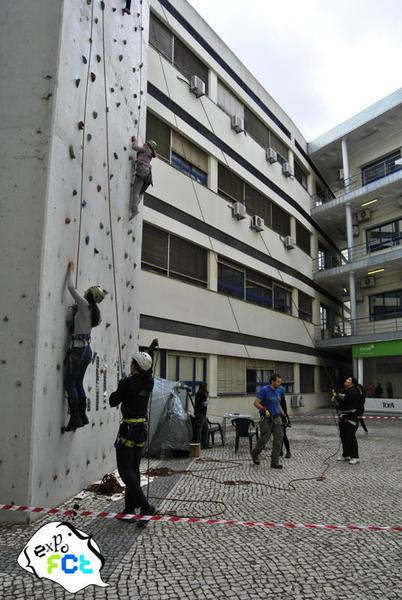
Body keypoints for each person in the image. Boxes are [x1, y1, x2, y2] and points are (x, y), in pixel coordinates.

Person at [109, 339, 159, 526]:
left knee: (125, 471)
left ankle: (145, 507)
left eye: (132, 363)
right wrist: (151, 351)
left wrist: (121, 385)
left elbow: (113, 401)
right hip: (140, 431)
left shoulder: (127, 383)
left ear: (135, 367)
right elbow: (148, 368)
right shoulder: (149, 382)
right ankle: (130, 509)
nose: (130, 365)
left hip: (128, 430)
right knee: (134, 470)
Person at [63, 261, 105, 432]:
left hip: (79, 350)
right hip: (86, 350)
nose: (86, 290)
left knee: (69, 383)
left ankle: (75, 419)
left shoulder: (85, 305)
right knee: (78, 383)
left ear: (89, 294)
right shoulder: (91, 310)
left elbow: (71, 289)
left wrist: (70, 272)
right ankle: (82, 416)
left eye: (88, 290)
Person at [251, 373, 285, 469]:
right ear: (272, 381)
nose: (279, 383)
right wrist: (264, 409)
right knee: (264, 439)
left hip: (276, 418)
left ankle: (274, 462)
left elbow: (278, 405)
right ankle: (255, 453)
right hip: (266, 418)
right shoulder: (264, 390)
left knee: (278, 439)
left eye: (280, 382)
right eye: (278, 381)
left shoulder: (279, 391)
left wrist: (284, 415)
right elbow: (256, 403)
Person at [336, 376, 361, 464]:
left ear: (353, 383)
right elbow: (340, 400)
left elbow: (346, 398)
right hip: (342, 417)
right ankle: (346, 454)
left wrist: (338, 395)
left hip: (351, 418)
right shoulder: (344, 390)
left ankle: (355, 457)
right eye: (347, 379)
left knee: (350, 437)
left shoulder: (354, 391)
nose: (346, 380)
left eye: (349, 380)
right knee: (343, 437)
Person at [130, 136, 157, 217]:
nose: (144, 143)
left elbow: (134, 147)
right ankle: (136, 204)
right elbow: (143, 159)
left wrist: (135, 141)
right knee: (141, 193)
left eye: (146, 143)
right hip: (148, 175)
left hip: (142, 171)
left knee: (136, 191)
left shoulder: (145, 149)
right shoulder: (151, 154)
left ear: (148, 145)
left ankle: (134, 209)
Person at [194, 383, 210, 449]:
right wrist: (208, 399)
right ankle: (199, 445)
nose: (207, 388)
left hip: (202, 414)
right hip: (200, 413)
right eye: (206, 386)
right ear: (204, 387)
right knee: (199, 429)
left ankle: (205, 444)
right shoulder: (201, 394)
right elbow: (205, 404)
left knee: (205, 428)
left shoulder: (200, 393)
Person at [279, 387, 291, 459]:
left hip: (282, 418)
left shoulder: (281, 394)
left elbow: (284, 408)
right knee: (277, 436)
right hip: (275, 417)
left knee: (283, 435)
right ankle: (280, 450)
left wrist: (287, 419)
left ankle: (288, 452)